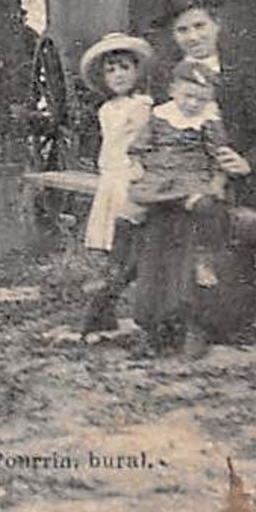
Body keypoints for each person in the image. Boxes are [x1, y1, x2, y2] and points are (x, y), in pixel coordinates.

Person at [152, 0, 256, 347]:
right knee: (186, 241)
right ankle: (191, 322)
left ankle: (235, 319)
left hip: (234, 180)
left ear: (217, 24)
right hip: (181, 182)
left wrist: (245, 161)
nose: (192, 37)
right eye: (182, 30)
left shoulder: (241, 76)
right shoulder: (163, 79)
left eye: (200, 26)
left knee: (237, 241)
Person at [129, 60, 236, 357]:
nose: (192, 104)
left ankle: (193, 326)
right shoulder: (159, 117)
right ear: (173, 90)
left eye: (200, 98)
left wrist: (213, 186)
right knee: (153, 253)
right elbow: (138, 151)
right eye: (187, 96)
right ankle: (151, 327)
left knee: (190, 249)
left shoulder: (209, 122)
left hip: (193, 186)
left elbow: (220, 160)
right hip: (159, 188)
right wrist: (140, 174)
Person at [77, 33, 156, 335]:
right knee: (116, 249)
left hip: (132, 179)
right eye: (111, 70)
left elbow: (145, 147)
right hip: (111, 181)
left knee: (132, 247)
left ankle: (104, 303)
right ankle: (104, 305)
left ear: (136, 71)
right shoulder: (106, 110)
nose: (119, 75)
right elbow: (108, 148)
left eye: (124, 67)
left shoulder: (143, 106)